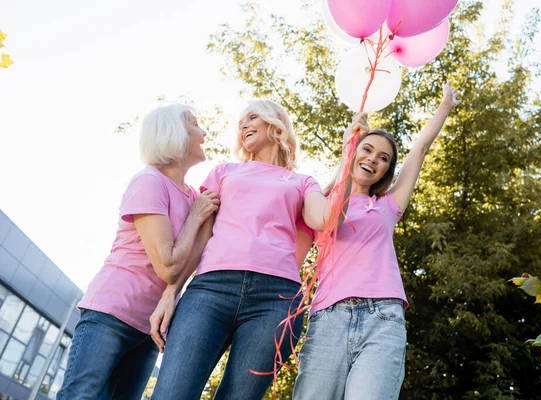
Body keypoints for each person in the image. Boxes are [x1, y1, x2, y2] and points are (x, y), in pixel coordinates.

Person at [149, 100, 369, 400]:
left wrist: (349, 153)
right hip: (210, 290)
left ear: (275, 123)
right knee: (172, 393)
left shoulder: (302, 182)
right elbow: (200, 239)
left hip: (275, 300)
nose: (243, 126)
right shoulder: (224, 172)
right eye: (240, 122)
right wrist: (171, 292)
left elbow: (327, 219)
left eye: (252, 117)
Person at [292, 82, 460, 400]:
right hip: (329, 318)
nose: (373, 159)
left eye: (383, 158)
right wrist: (347, 148)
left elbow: (420, 149)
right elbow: (326, 224)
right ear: (353, 151)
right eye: (366, 149)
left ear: (386, 171)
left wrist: (445, 106)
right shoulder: (319, 203)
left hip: (382, 318)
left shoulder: (388, 205)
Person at [57, 103, 219, 400]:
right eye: (196, 124)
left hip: (150, 330)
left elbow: (192, 262)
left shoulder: (194, 196)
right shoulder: (149, 181)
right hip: (112, 313)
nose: (204, 132)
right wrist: (196, 218)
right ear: (174, 133)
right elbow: (169, 267)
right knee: (81, 396)